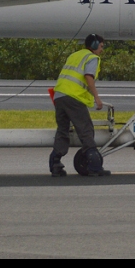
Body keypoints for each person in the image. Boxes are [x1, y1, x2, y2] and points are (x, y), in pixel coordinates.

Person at [48, 34, 109, 177]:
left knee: (63, 130)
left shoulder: (74, 55)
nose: (101, 50)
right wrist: (97, 98)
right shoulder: (92, 58)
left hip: (59, 96)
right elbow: (89, 77)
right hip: (74, 97)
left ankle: (55, 164)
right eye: (101, 46)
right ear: (94, 45)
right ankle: (94, 166)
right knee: (86, 129)